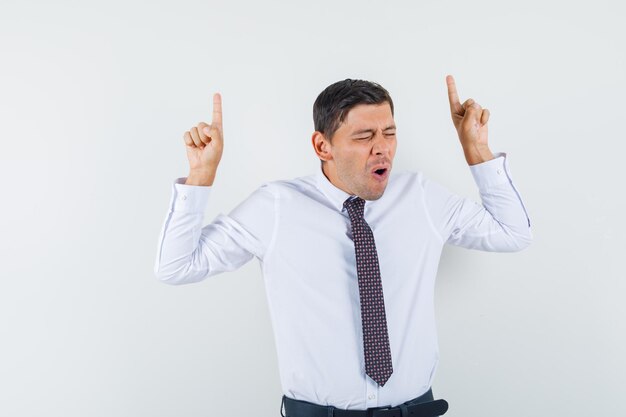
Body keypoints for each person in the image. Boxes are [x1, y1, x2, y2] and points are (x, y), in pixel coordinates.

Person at [153, 75, 532, 417]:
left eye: (389, 132)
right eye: (365, 137)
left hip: (415, 409)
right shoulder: (276, 207)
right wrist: (201, 176)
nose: (382, 148)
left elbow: (512, 233)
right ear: (322, 146)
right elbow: (177, 266)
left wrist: (477, 151)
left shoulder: (421, 197)